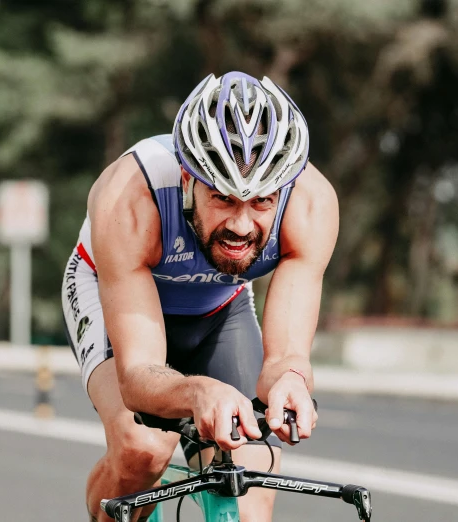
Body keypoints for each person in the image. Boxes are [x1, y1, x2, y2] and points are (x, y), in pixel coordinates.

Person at [61, 71, 339, 522]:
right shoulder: (129, 198)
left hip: (219, 310)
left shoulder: (311, 205)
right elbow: (137, 377)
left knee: (250, 493)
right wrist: (198, 392)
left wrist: (290, 379)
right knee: (144, 451)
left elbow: (286, 355)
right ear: (188, 178)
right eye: (223, 199)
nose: (242, 225)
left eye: (263, 202)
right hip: (116, 302)